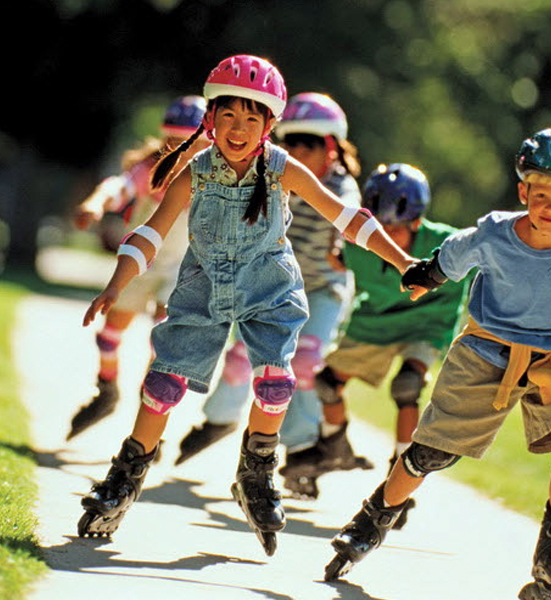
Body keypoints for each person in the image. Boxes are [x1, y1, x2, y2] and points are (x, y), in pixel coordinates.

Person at [76, 54, 419, 556]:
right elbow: (150, 233)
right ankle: (125, 477)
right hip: (202, 287)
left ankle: (256, 473)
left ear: (269, 125)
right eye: (229, 115)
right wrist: (115, 285)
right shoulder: (194, 172)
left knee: (276, 380)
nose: (238, 129)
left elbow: (347, 217)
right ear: (210, 119)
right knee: (163, 384)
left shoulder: (282, 169)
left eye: (251, 118)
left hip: (269, 288)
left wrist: (403, 261)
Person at [324, 127, 551, 600]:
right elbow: (452, 254)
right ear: (523, 192)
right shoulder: (495, 233)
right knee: (431, 452)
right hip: (486, 352)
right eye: (541, 194)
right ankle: (371, 521)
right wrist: (426, 275)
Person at [175, 91, 374, 499]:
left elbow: (349, 215)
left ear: (331, 147)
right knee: (243, 357)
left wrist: (341, 247)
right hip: (273, 285)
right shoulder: (272, 172)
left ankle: (302, 449)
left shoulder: (340, 185)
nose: (297, 151)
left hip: (323, 290)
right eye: (291, 142)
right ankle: (220, 420)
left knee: (304, 364)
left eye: (309, 144)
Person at [314, 162, 470, 522]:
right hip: (376, 324)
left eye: (395, 229)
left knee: (407, 385)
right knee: (326, 384)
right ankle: (334, 445)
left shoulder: (447, 244)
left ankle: (399, 476)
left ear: (417, 222)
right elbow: (334, 259)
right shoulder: (358, 248)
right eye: (379, 228)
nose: (385, 238)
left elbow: (486, 260)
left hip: (428, 322)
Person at [67, 96, 210, 440]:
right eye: (175, 141)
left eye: (192, 144)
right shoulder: (150, 169)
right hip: (138, 265)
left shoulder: (211, 178)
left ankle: (152, 410)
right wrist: (95, 204)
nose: (183, 151)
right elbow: (119, 187)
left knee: (164, 341)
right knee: (109, 336)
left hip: (179, 270)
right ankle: (107, 388)